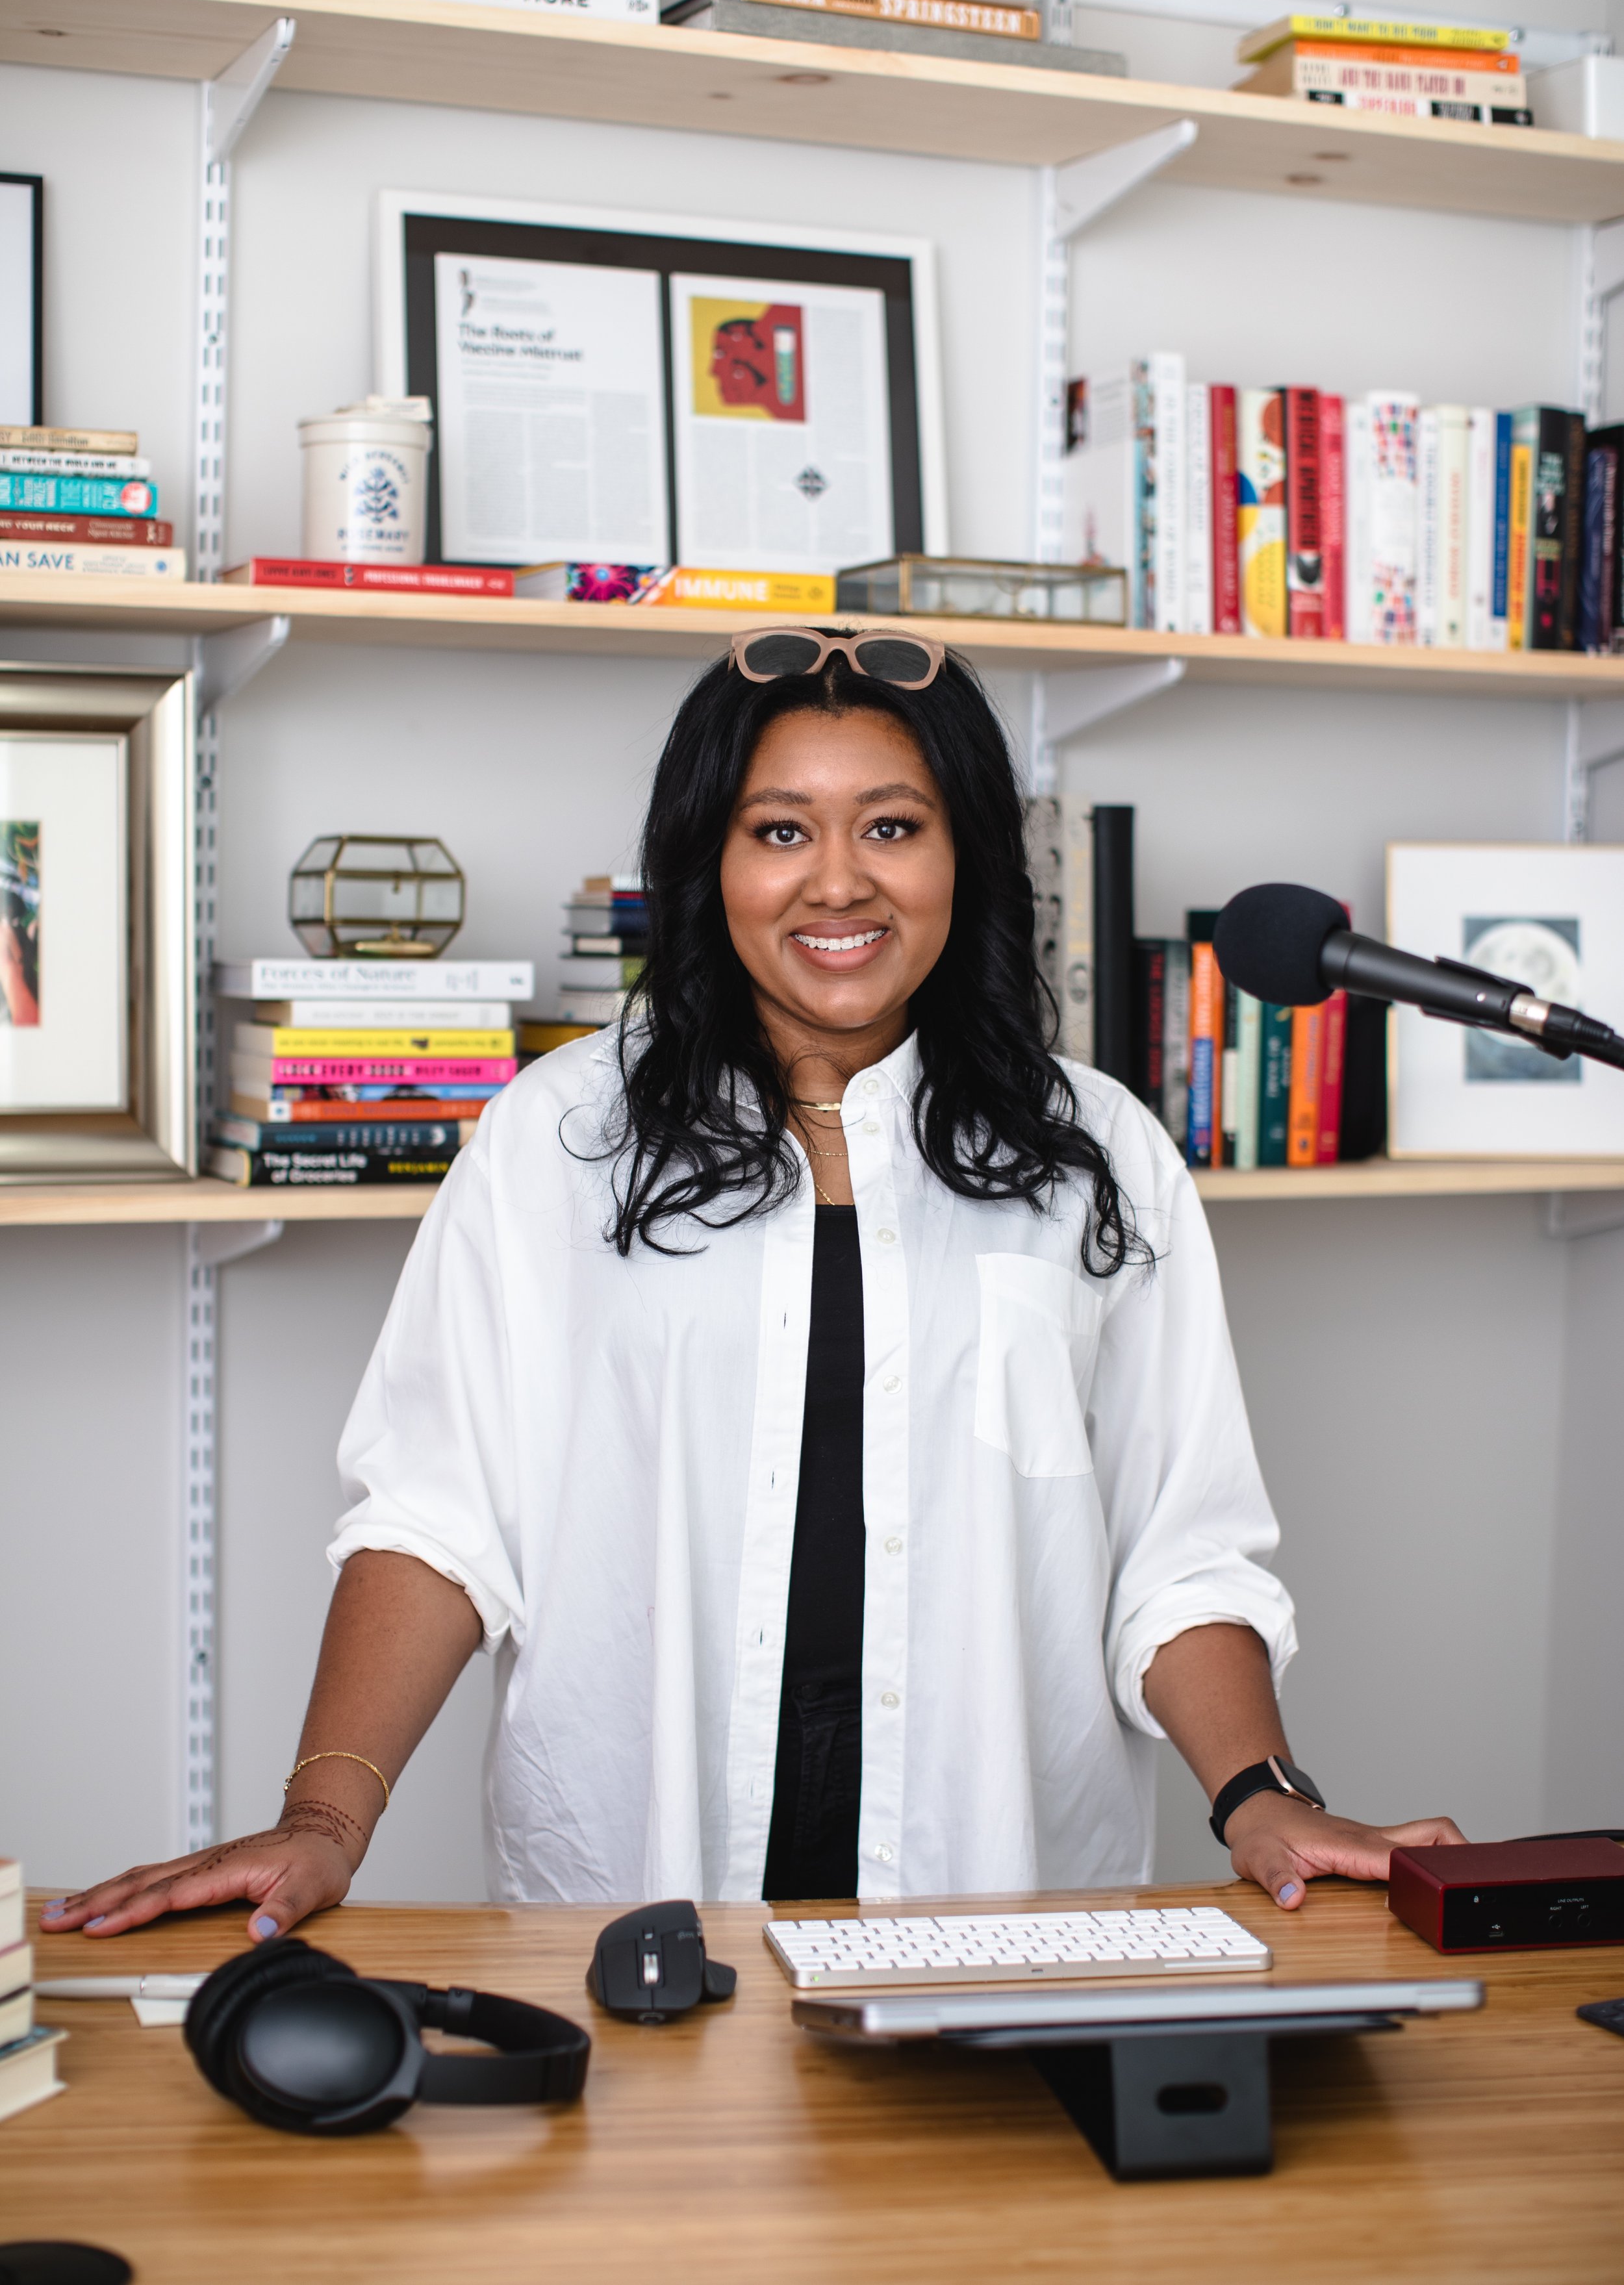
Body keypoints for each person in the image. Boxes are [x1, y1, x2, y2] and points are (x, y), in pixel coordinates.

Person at [44, 631, 1462, 1943]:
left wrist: (1257, 1793)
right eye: (777, 830)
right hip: (637, 1901)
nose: (835, 881)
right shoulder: (558, 1136)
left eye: (890, 828)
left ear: (960, 856)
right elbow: (438, 1513)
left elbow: (1178, 1548)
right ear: (703, 863)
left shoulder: (1100, 1156)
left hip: (997, 1902)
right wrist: (322, 1821)